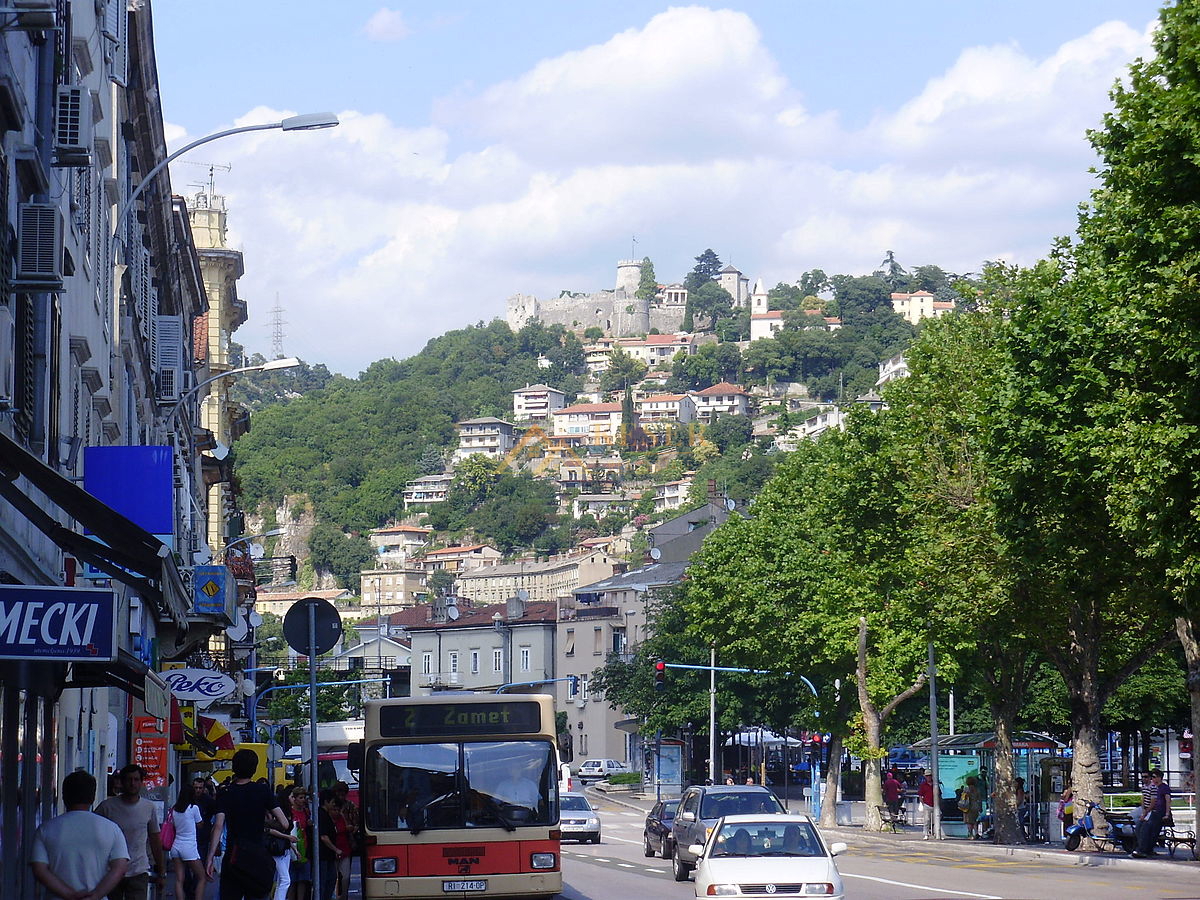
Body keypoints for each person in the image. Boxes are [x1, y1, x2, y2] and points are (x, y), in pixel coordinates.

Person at [30, 770, 130, 900]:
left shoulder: (45, 830)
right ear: (92, 797)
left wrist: (69, 894)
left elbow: (39, 869)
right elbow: (120, 868)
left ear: (64, 796)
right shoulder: (112, 829)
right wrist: (96, 895)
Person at [205, 748, 289, 900]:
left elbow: (218, 827)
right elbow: (284, 823)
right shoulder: (262, 790)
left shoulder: (226, 793)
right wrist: (263, 822)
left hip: (233, 856)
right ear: (254, 768)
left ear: (235, 767)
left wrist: (210, 857)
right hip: (256, 855)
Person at [95, 763, 165, 900]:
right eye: (128, 780)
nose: (132, 783)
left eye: (136, 780)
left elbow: (155, 840)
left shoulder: (148, 807)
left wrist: (161, 872)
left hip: (138, 871)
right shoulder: (107, 807)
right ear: (121, 782)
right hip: (111, 871)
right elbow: (93, 834)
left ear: (141, 782)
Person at [169, 783, 208, 900]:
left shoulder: (174, 809)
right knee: (202, 878)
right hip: (189, 847)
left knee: (179, 880)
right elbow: (200, 824)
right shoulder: (193, 808)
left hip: (176, 847)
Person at [267, 785, 298, 900]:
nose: (293, 799)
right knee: (285, 879)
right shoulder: (280, 814)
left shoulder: (286, 812)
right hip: (277, 848)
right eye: (292, 796)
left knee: (282, 879)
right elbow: (271, 830)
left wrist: (293, 848)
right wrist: (287, 837)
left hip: (284, 848)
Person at [1132, 768, 1171, 858]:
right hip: (1152, 812)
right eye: (1152, 777)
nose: (1152, 779)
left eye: (1154, 777)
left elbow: (1168, 800)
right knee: (1139, 827)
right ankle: (1144, 849)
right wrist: (1144, 812)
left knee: (1146, 828)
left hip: (1159, 812)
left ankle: (1142, 850)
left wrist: (1167, 814)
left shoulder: (1164, 787)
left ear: (1159, 777)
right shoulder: (1153, 787)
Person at [316, 790, 343, 900]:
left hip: (329, 856)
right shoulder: (321, 815)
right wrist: (336, 850)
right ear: (326, 802)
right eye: (332, 802)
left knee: (331, 880)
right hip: (323, 856)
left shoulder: (326, 814)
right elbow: (324, 837)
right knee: (323, 883)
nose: (333, 804)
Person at [287, 786, 312, 900]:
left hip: (304, 846)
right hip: (293, 846)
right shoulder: (290, 812)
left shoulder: (306, 811)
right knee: (292, 879)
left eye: (304, 797)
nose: (303, 800)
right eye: (301, 797)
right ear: (295, 799)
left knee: (303, 879)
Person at [917, 770, 936, 840]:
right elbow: (920, 795)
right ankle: (926, 834)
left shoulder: (935, 784)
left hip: (935, 805)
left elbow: (939, 794)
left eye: (930, 776)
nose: (929, 777)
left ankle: (935, 833)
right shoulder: (923, 785)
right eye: (927, 776)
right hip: (927, 804)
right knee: (926, 820)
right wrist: (923, 803)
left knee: (935, 820)